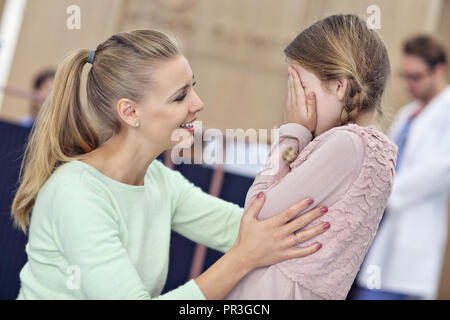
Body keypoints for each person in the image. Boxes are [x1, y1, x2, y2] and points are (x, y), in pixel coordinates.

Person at [10, 30, 330, 300]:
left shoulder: (159, 180)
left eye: (194, 86)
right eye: (180, 97)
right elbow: (249, 245)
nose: (198, 104)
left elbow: (253, 230)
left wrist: (298, 135)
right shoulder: (75, 194)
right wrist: (243, 259)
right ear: (130, 112)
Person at [226, 14, 398, 300]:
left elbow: (256, 212)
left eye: (302, 87)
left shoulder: (347, 143)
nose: (294, 101)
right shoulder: (377, 151)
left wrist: (291, 133)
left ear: (339, 87)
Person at [355, 35, 450, 300]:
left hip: (414, 231)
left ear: (438, 70)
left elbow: (440, 170)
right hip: (384, 227)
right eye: (405, 76)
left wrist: (386, 194)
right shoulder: (409, 113)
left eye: (416, 77)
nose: (409, 84)